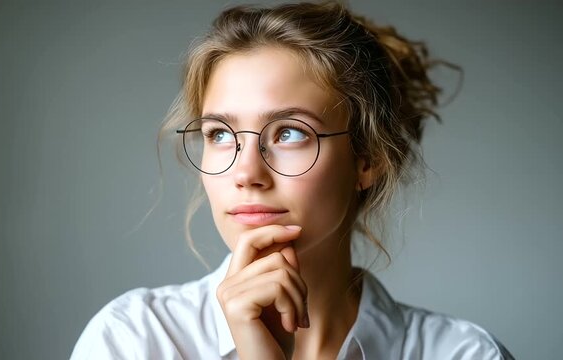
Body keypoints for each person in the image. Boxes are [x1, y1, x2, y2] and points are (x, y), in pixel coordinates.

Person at [71, 1, 514, 359]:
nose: (246, 173)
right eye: (220, 134)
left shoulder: (463, 353)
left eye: (289, 133)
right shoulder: (134, 340)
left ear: (368, 159)